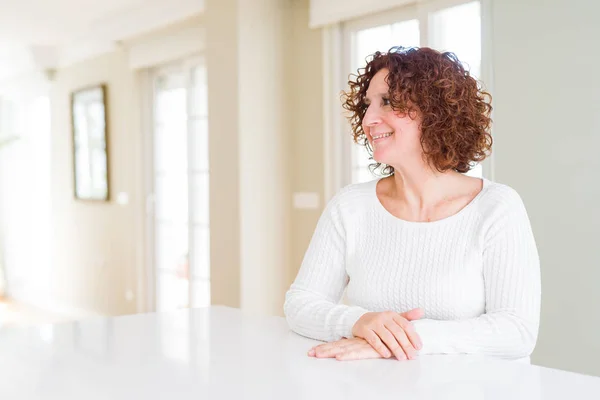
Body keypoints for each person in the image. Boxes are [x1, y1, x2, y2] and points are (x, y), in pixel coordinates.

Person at [284, 47, 541, 363]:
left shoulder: (497, 207)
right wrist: (358, 322)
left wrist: (402, 338)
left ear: (436, 113)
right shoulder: (350, 207)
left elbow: (517, 331)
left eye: (387, 102)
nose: (368, 119)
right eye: (367, 105)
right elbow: (300, 303)